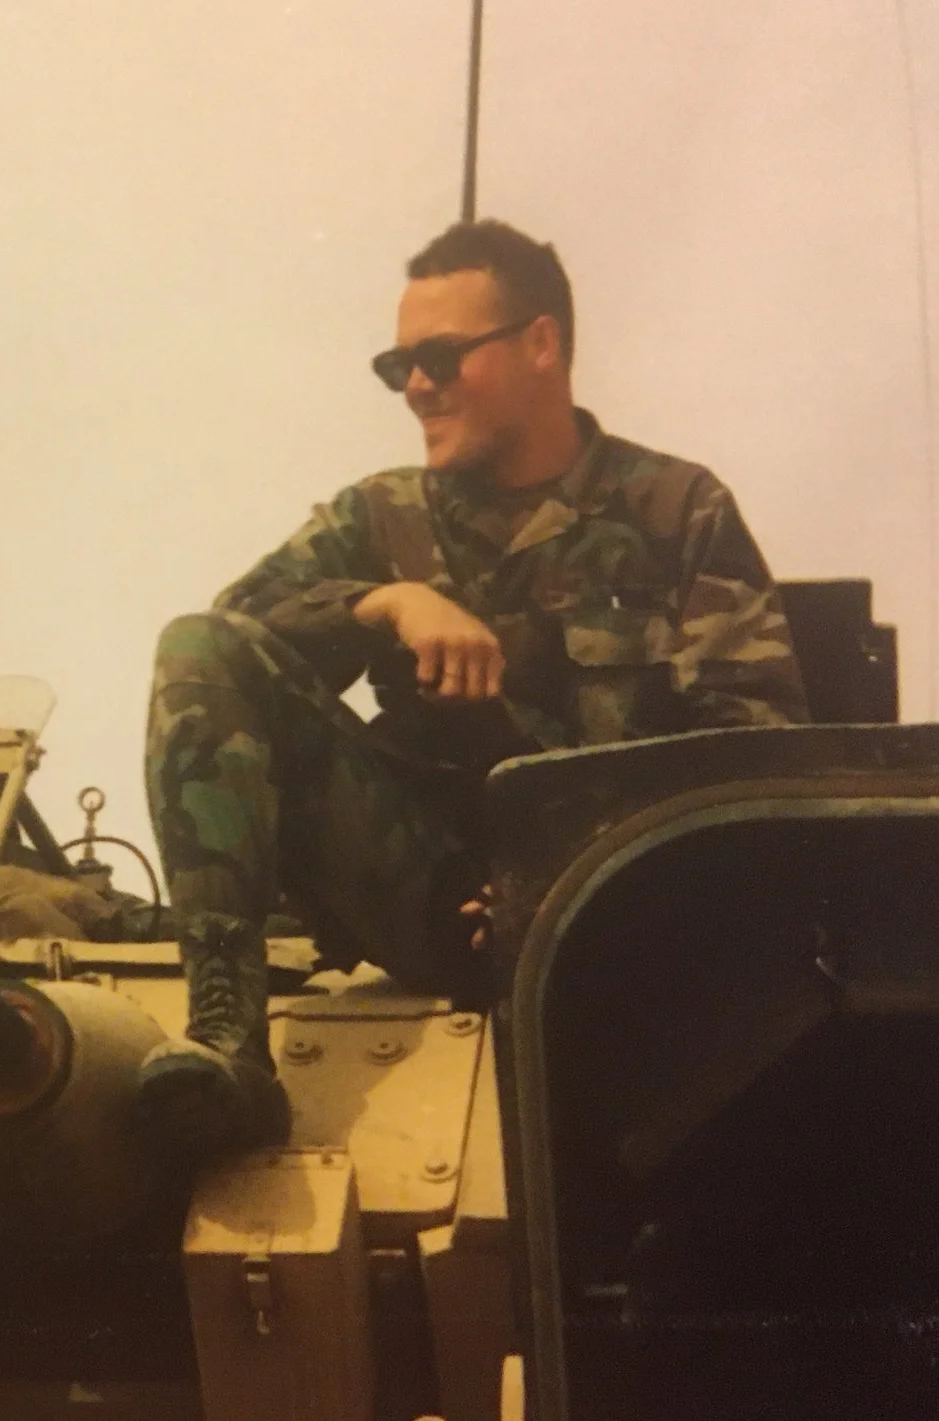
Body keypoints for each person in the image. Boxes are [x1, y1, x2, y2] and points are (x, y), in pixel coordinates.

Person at [138, 219, 809, 1165]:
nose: (418, 387)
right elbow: (237, 626)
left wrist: (571, 876)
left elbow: (753, 757)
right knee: (197, 646)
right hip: (429, 889)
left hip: (614, 928)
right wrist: (387, 601)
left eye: (443, 357)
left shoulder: (674, 510)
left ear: (541, 344)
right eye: (400, 365)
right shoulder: (382, 517)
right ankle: (226, 1036)